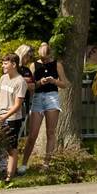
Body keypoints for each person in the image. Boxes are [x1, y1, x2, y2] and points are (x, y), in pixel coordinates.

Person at [20, 42, 65, 171]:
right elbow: (31, 85)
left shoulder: (57, 64)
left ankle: (46, 164)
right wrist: (40, 82)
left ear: (50, 55)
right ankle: (24, 164)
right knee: (32, 134)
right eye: (42, 58)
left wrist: (54, 81)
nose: (44, 61)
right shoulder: (33, 65)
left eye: (46, 58)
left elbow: (65, 84)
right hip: (38, 98)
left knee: (50, 132)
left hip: (52, 97)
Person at [0, 53, 27, 182]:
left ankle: (9, 177)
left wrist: (5, 117)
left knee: (11, 148)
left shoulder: (20, 81)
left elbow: (17, 105)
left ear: (14, 64)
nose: (3, 66)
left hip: (12, 119)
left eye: (5, 63)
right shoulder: (3, 78)